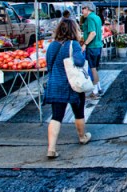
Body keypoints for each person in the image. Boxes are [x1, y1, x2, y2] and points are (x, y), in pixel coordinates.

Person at [44, 18, 92, 159]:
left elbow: (48, 65)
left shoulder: (52, 45)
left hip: (55, 83)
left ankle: (51, 148)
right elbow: (79, 61)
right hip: (72, 84)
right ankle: (82, 137)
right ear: (74, 30)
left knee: (56, 116)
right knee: (78, 112)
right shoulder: (74, 44)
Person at [81, 2, 103, 99]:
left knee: (92, 68)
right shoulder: (97, 17)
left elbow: (92, 33)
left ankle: (95, 91)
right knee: (95, 68)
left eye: (83, 8)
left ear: (88, 8)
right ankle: (98, 87)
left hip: (92, 46)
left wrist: (85, 44)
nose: (82, 10)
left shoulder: (89, 18)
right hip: (98, 45)